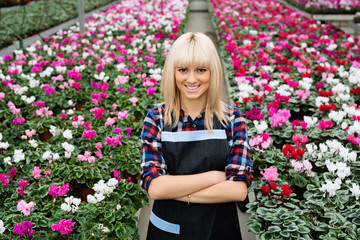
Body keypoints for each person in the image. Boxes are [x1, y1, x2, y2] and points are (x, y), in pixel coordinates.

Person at [140, 32, 253, 240]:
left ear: (213, 72)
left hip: (220, 230)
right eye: (183, 70)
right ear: (172, 72)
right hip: (167, 231)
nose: (191, 79)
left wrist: (174, 189)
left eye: (201, 70)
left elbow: (238, 191)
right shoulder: (156, 118)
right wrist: (214, 177)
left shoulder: (231, 118)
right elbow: (155, 187)